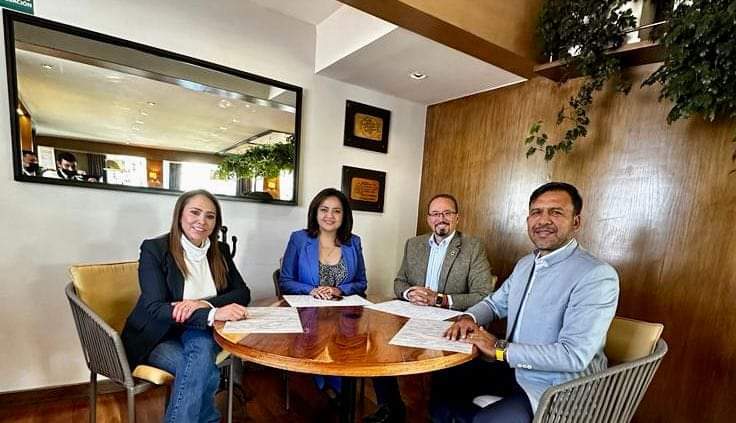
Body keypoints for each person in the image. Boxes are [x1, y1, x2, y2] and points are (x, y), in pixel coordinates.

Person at [433, 182, 619, 423]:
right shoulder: (525, 264)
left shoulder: (596, 275)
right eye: (536, 212)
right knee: (444, 379)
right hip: (513, 369)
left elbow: (573, 355)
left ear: (576, 222)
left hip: (557, 388)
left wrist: (499, 348)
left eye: (556, 212)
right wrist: (468, 317)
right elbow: (494, 304)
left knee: (485, 420)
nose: (543, 220)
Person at [122, 189, 250, 422]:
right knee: (202, 368)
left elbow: (242, 293)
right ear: (179, 214)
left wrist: (202, 304)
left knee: (200, 360)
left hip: (198, 331)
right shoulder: (155, 249)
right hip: (158, 336)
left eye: (210, 216)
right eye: (195, 212)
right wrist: (212, 314)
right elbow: (156, 308)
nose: (202, 221)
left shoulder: (219, 250)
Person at [365, 193, 494, 423]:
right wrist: (409, 293)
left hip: (450, 321)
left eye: (447, 213)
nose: (440, 218)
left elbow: (483, 295)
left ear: (457, 218)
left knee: (443, 378)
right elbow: (399, 282)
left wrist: (439, 299)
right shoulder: (414, 244)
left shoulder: (472, 247)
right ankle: (390, 406)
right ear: (428, 219)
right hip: (412, 315)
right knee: (379, 343)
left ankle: (440, 413)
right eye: (435, 214)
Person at [278, 187, 368, 399]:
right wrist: (312, 290)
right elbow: (285, 281)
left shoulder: (353, 242)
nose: (330, 216)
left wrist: (339, 290)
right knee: (315, 351)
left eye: (337, 211)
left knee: (349, 351)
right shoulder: (299, 239)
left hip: (344, 316)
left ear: (344, 216)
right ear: (315, 212)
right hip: (308, 315)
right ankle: (323, 384)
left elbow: (361, 283)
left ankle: (338, 387)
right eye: (324, 209)